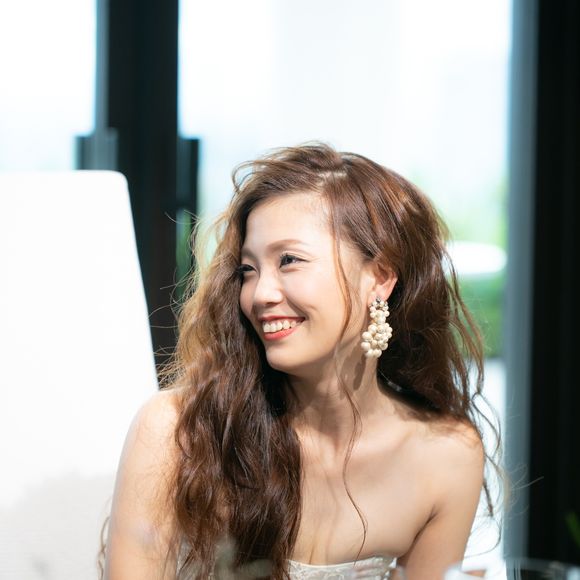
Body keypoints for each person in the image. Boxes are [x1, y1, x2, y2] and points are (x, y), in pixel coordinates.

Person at [103, 143, 497, 579]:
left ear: (380, 277)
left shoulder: (447, 455)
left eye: (289, 261)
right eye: (248, 270)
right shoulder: (177, 431)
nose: (260, 294)